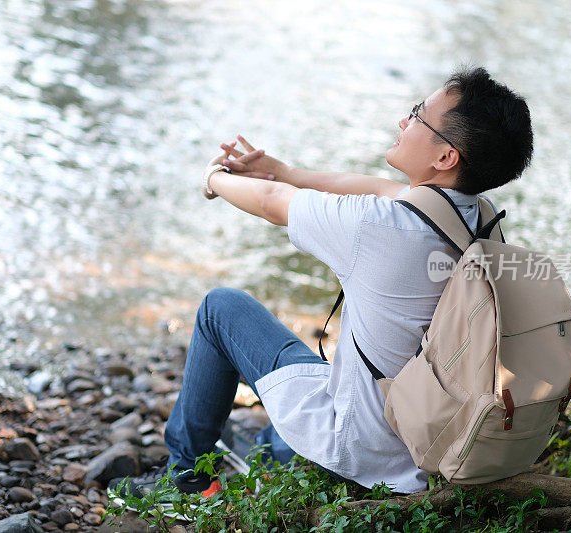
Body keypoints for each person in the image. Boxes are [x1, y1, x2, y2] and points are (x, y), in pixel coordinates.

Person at [117, 66, 534, 498]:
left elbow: (271, 203)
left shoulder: (379, 228)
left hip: (361, 444)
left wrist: (213, 179)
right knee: (307, 399)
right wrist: (281, 169)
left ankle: (183, 478)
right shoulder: (479, 218)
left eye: (417, 114)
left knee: (220, 310)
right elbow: (369, 187)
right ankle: (269, 450)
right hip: (425, 441)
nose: (403, 122)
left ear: (446, 156)